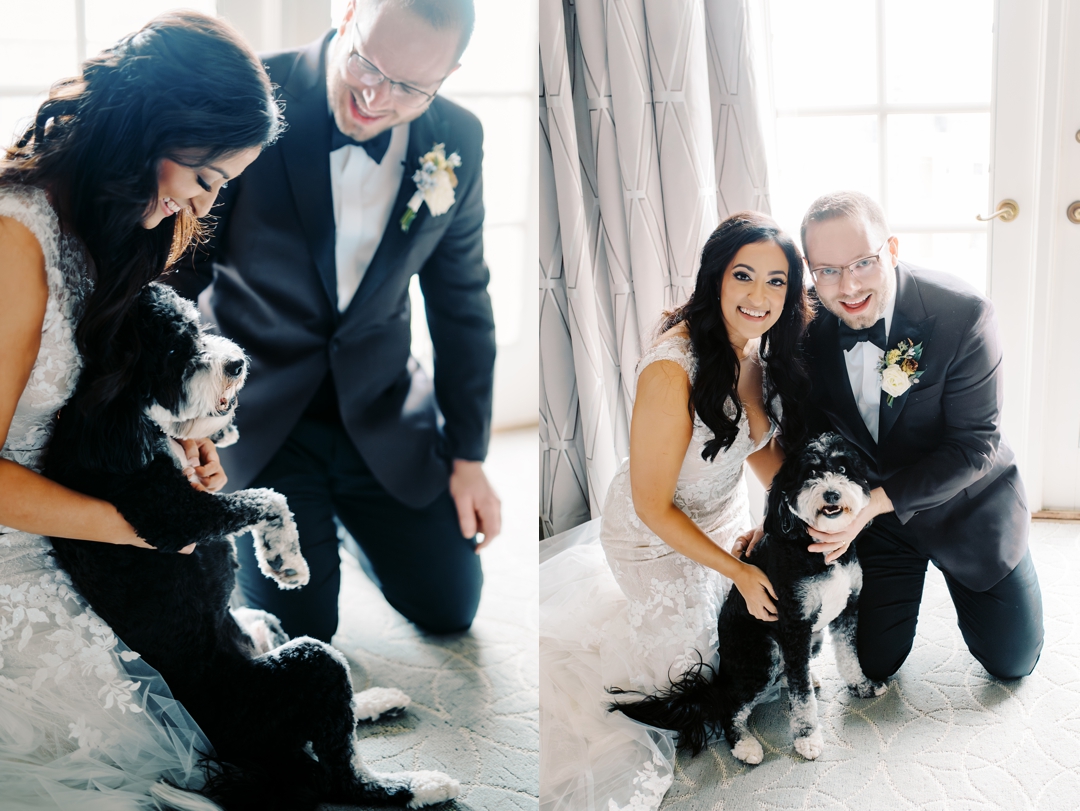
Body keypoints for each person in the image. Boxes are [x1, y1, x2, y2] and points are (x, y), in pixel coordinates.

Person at [0, 11, 282, 808]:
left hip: (82, 505)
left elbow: (103, 388)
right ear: (151, 130)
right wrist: (138, 526)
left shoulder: (117, 217)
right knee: (151, 747)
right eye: (206, 177)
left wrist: (178, 441)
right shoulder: (15, 240)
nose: (201, 202)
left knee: (236, 693)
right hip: (19, 533)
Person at [166, 0, 499, 643]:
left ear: (448, 75)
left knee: (449, 606)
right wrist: (179, 423)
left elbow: (462, 301)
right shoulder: (253, 95)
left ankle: (351, 526)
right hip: (257, 413)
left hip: (382, 408)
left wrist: (469, 456)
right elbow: (181, 274)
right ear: (347, 15)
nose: (376, 98)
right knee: (301, 631)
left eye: (410, 87)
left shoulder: (458, 137)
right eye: (368, 65)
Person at [539, 212, 814, 811]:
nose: (759, 296)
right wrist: (739, 573)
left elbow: (758, 448)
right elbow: (651, 504)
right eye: (743, 275)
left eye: (776, 281)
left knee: (756, 647)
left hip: (720, 511)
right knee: (692, 676)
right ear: (715, 276)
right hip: (651, 531)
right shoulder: (673, 366)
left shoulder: (757, 349)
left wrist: (784, 517)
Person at [762, 190, 1043, 682]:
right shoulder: (801, 325)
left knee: (1012, 663)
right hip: (878, 523)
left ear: (891, 249)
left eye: (863, 262)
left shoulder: (964, 314)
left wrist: (874, 502)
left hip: (967, 507)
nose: (849, 286)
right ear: (810, 270)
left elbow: (976, 444)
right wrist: (776, 520)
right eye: (828, 270)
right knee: (871, 666)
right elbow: (802, 438)